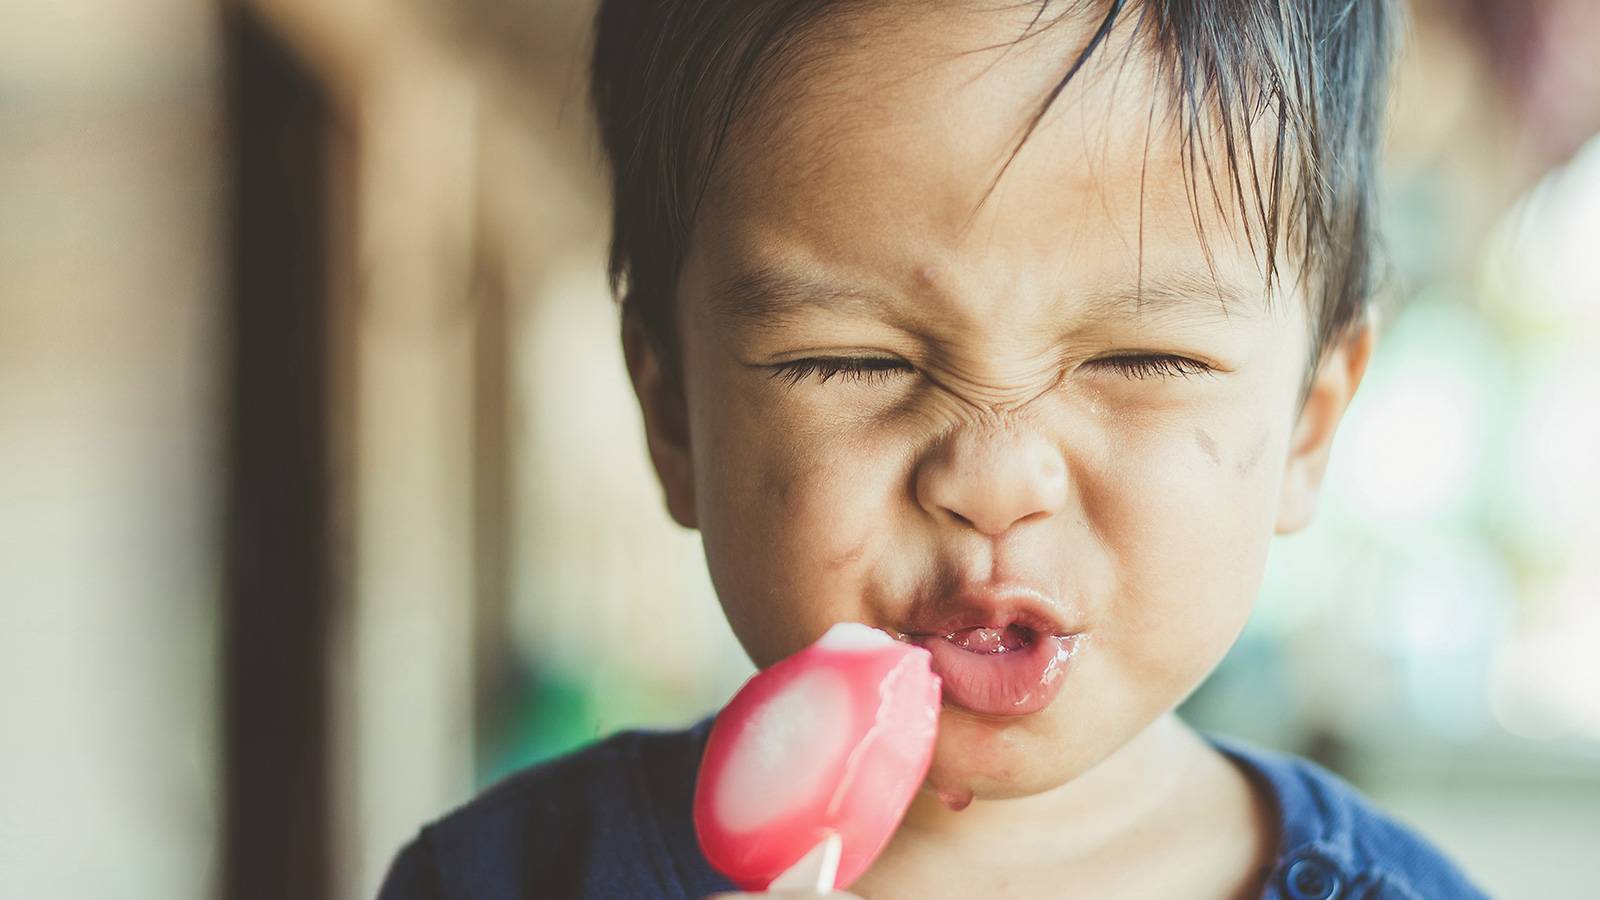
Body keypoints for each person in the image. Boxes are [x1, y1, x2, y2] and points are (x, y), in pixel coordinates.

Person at [379, 1, 1490, 897]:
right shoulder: (499, 880)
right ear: (672, 412)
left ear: (1307, 423)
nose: (995, 482)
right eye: (847, 362)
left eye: (1143, 358)